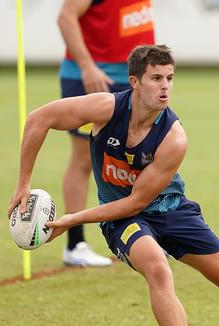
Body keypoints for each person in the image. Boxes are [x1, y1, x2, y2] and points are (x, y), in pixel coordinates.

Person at [9, 45, 219, 326]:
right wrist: (24, 182)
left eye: (169, 78)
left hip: (169, 209)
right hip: (122, 218)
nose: (165, 86)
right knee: (156, 266)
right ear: (135, 81)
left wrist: (73, 219)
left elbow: (138, 200)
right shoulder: (107, 108)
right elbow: (38, 119)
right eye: (155, 78)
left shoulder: (174, 138)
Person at [56, 0, 154, 266]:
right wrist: (87, 66)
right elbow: (65, 17)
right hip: (95, 77)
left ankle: (142, 238)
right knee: (84, 158)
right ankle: (75, 244)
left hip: (132, 75)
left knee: (142, 155)